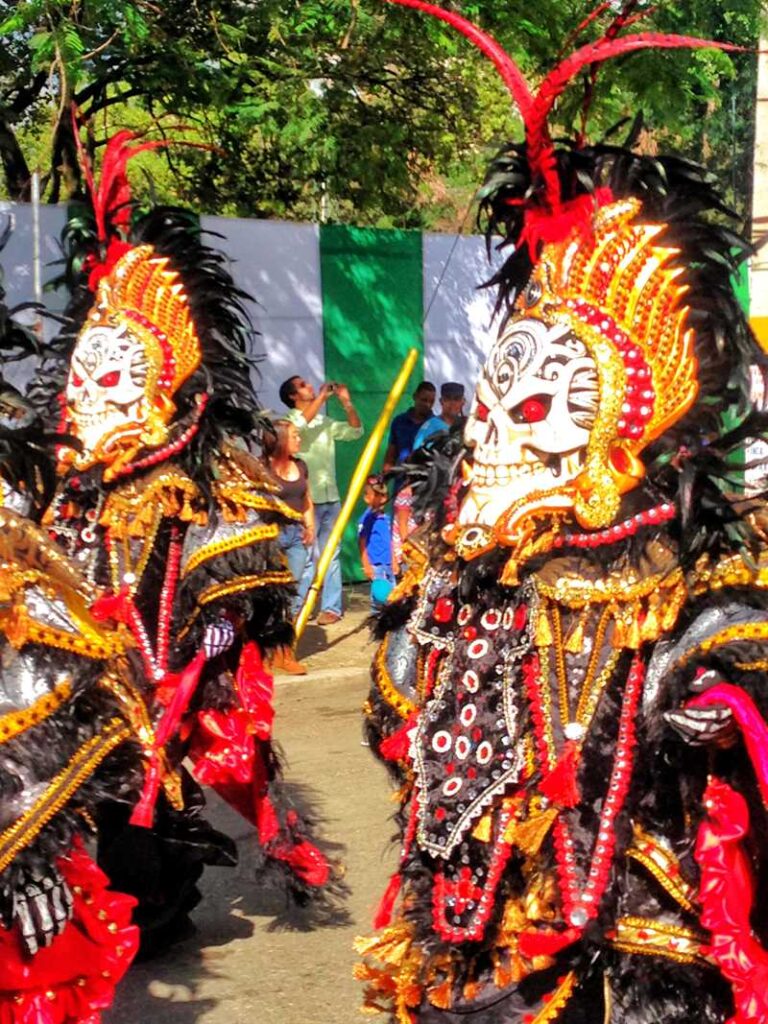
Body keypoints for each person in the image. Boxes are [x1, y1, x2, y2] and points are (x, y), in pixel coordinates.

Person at [358, 5, 768, 1024]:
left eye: (534, 408)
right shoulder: (463, 577)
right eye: (495, 401)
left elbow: (741, 686)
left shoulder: (683, 581)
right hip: (476, 917)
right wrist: (404, 669)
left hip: (634, 920)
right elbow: (396, 722)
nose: (495, 431)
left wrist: (713, 707)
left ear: (621, 432)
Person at [281, 375, 363, 625]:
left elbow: (355, 431)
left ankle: (331, 607)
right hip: (308, 500)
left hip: (330, 496)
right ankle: (298, 607)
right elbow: (302, 426)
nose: (309, 386)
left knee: (331, 552)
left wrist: (347, 403)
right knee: (305, 556)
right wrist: (322, 397)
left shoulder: (324, 421)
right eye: (303, 385)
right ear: (293, 396)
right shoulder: (290, 422)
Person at [263, 418, 314, 674]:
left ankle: (286, 651)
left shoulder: (301, 465)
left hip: (296, 534)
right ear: (281, 439)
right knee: (272, 595)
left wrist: (311, 526)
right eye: (294, 435)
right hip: (271, 534)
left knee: (295, 592)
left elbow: (306, 500)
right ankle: (269, 650)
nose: (299, 439)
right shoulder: (262, 467)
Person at [383, 381, 436, 573]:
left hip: (427, 486)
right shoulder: (399, 421)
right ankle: (401, 568)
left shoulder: (435, 424)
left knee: (425, 527)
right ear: (414, 397)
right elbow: (392, 450)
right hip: (402, 484)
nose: (428, 405)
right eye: (424, 400)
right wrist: (386, 472)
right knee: (401, 527)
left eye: (431, 401)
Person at [358, 473, 395, 610]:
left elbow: (390, 541)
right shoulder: (367, 519)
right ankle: (376, 622)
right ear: (367, 498)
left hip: (388, 564)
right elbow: (361, 543)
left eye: (384, 495)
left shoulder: (387, 517)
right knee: (379, 598)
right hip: (376, 565)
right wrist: (367, 565)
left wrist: (394, 561)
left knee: (392, 596)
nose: (383, 499)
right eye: (378, 496)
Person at [413, 381, 466, 449]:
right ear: (441, 401)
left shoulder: (467, 426)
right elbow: (417, 453)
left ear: (463, 402)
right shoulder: (430, 425)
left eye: (457, 399)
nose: (452, 403)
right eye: (448, 398)